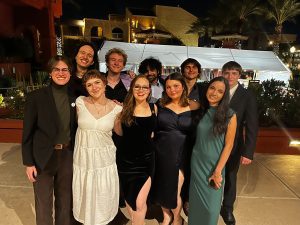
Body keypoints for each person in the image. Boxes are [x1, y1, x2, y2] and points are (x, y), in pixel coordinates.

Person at [22, 55, 78, 225]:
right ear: (50, 72)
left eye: (65, 70)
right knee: (44, 204)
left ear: (70, 73)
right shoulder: (36, 97)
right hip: (43, 157)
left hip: (67, 155)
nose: (61, 73)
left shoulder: (75, 97)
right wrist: (28, 163)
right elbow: (27, 133)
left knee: (65, 202)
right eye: (57, 69)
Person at [72, 70, 122, 225]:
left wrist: (125, 112)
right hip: (84, 160)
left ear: (105, 83)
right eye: (89, 84)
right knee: (85, 195)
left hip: (104, 161)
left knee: (102, 196)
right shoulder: (80, 102)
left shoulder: (117, 108)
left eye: (97, 82)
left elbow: (119, 132)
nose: (94, 87)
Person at [188, 76, 237, 225]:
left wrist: (217, 171)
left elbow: (229, 145)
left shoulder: (230, 115)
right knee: (195, 207)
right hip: (197, 163)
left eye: (220, 91)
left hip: (215, 166)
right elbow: (175, 102)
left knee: (211, 210)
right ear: (207, 89)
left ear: (224, 95)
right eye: (212, 88)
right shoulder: (199, 108)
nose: (214, 93)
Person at [152, 72, 199, 225]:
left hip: (182, 153)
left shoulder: (195, 105)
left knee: (175, 188)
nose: (172, 90)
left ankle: (177, 218)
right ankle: (167, 216)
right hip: (161, 152)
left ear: (183, 86)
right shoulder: (160, 104)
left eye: (176, 86)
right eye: (168, 87)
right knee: (163, 186)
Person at [220, 61, 258, 225]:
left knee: (230, 177)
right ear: (222, 73)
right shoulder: (216, 90)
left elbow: (252, 125)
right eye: (227, 73)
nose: (230, 76)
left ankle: (227, 208)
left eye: (234, 73)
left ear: (239, 75)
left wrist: (248, 152)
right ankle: (210, 204)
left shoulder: (247, 95)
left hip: (234, 145)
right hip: (211, 143)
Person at [116, 75, 157, 225]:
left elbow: (152, 132)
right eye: (137, 86)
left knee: (140, 203)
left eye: (144, 87)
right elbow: (119, 133)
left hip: (146, 162)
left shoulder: (154, 108)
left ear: (149, 89)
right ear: (131, 88)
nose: (141, 90)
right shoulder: (123, 109)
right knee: (130, 200)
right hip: (125, 161)